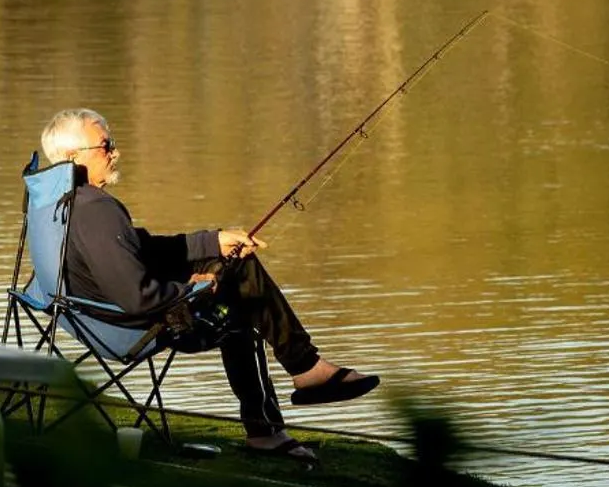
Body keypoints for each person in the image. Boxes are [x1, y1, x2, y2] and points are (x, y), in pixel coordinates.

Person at [38, 107, 379, 465]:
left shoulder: (57, 201)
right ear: (72, 156)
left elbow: (144, 250)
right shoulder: (97, 211)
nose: (115, 152)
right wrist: (192, 290)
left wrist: (214, 241)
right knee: (237, 299)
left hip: (88, 316)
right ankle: (285, 400)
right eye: (105, 145)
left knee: (234, 268)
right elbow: (138, 296)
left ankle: (303, 372)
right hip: (131, 326)